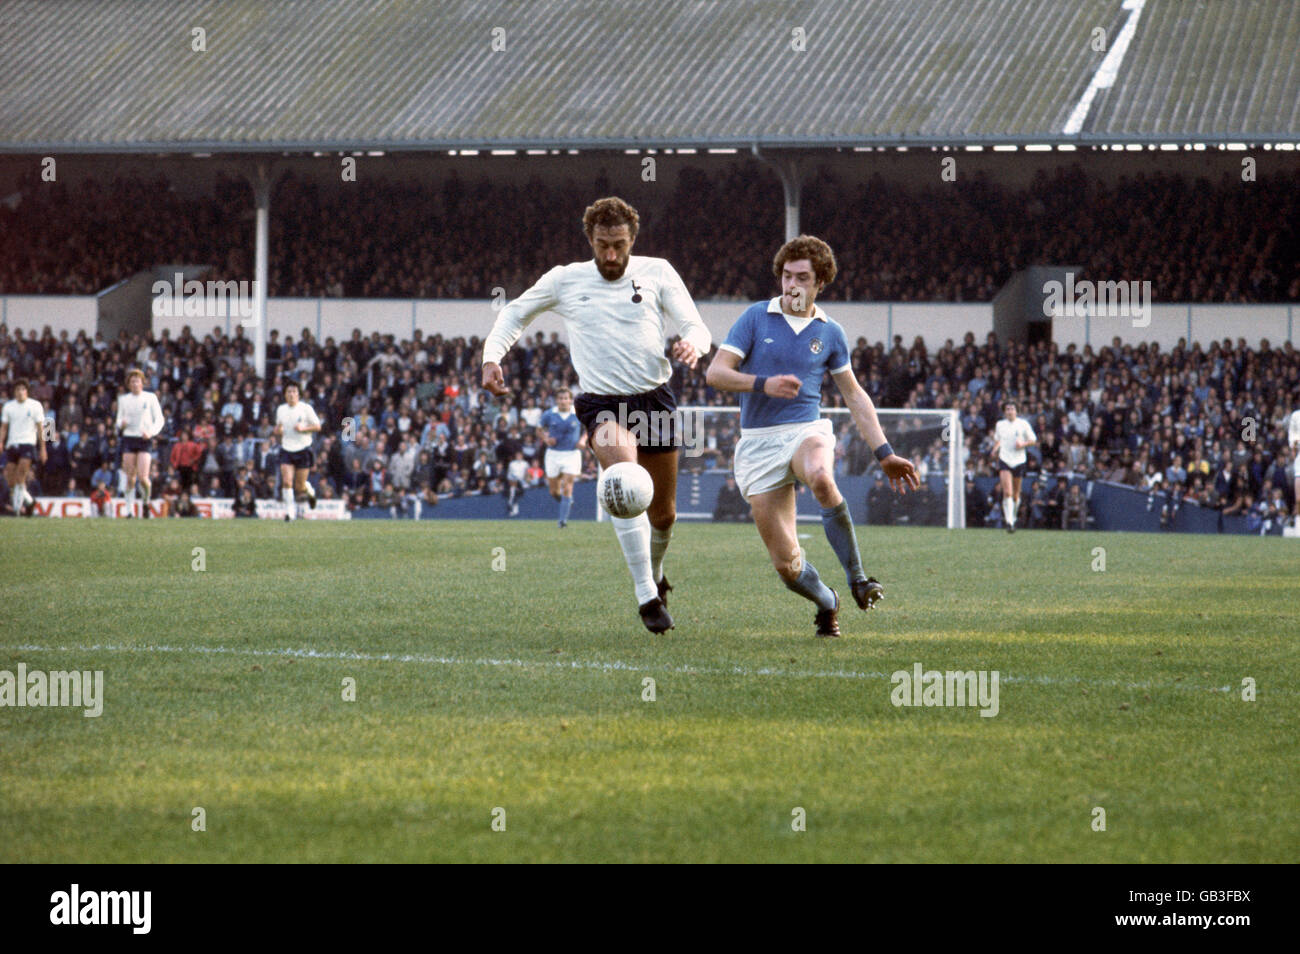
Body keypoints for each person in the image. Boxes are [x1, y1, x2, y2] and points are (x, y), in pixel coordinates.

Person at [481, 197, 711, 633]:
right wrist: (492, 357)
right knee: (624, 482)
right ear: (590, 239)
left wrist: (692, 345)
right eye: (603, 245)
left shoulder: (658, 271)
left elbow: (697, 326)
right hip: (603, 404)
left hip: (655, 401)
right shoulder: (566, 279)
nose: (610, 255)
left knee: (663, 515)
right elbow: (513, 312)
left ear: (632, 240)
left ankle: (656, 574)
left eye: (619, 245)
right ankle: (647, 596)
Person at [705, 235, 919, 638]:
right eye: (786, 276)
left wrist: (884, 452)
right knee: (787, 567)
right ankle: (828, 602)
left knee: (821, 476)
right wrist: (763, 384)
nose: (792, 286)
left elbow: (854, 396)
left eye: (802, 278)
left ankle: (858, 578)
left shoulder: (831, 332)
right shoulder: (755, 317)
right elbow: (715, 373)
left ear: (820, 282)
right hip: (758, 443)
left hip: (806, 430)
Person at [115, 369, 165, 518]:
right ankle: (129, 510)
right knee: (130, 477)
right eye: (132, 381)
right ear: (129, 384)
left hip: (144, 439)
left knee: (143, 478)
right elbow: (118, 420)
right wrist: (121, 424)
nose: (135, 383)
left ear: (142, 382)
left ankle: (146, 502)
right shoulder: (124, 399)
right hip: (129, 438)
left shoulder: (150, 398)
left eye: (137, 380)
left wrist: (151, 432)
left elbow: (160, 419)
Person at [537, 387, 585, 527]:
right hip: (553, 454)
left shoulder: (578, 413)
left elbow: (589, 428)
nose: (563, 401)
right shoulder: (549, 414)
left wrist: (583, 440)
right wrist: (546, 439)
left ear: (570, 400)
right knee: (554, 491)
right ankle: (567, 501)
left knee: (568, 485)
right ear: (557, 400)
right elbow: (538, 429)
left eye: (566, 398)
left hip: (572, 454)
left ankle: (562, 521)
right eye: (560, 398)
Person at [273, 381, 321, 521]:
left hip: (303, 449)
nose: (291, 394)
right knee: (287, 482)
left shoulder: (306, 408)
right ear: (285, 395)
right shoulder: (281, 409)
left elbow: (317, 426)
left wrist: (303, 429)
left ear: (298, 394)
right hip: (287, 449)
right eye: (289, 392)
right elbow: (278, 428)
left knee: (299, 487)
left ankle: (310, 491)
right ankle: (290, 512)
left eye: (294, 392)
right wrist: (278, 431)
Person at [990, 400, 1037, 533]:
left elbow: (1033, 440)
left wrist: (1022, 444)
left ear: (1016, 411)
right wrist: (994, 449)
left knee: (1016, 495)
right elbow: (999, 439)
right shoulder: (1000, 424)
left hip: (1019, 460)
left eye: (1012, 409)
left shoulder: (1023, 424)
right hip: (1005, 459)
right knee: (1007, 492)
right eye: (1008, 409)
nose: (1010, 411)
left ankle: (1013, 517)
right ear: (1004, 412)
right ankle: (1009, 522)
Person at [1, 379, 46, 516]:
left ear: (27, 391)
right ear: (14, 392)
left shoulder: (35, 405)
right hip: (12, 444)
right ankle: (30, 502)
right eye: (17, 389)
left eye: (23, 389)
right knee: (10, 479)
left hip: (28, 443)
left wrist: (43, 448)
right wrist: (1, 442)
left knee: (21, 474)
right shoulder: (8, 406)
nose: (20, 392)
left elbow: (41, 427)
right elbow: (4, 427)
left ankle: (17, 510)